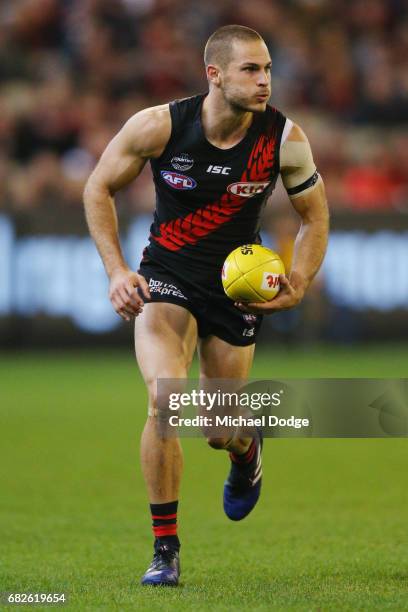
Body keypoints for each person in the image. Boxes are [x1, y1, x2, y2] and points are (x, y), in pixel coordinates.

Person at [83, 24, 329, 587]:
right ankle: (164, 549)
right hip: (166, 277)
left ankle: (246, 448)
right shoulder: (159, 125)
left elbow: (315, 216)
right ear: (214, 75)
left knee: (219, 429)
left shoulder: (285, 138)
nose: (264, 80)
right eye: (250, 70)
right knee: (164, 399)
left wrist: (301, 278)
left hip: (237, 287)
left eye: (267, 69)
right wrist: (118, 271)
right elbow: (98, 187)